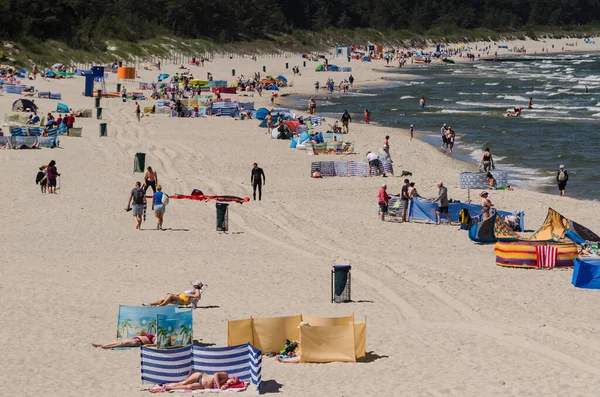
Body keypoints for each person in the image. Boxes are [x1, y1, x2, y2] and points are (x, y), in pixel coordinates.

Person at [160, 372, 239, 391]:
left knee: (189, 387)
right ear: (232, 378)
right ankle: (171, 386)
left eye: (232, 383)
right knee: (185, 382)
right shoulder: (225, 375)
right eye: (232, 381)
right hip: (200, 376)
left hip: (202, 386)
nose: (231, 382)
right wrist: (218, 385)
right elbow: (216, 374)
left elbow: (222, 389)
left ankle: (170, 388)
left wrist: (226, 386)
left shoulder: (225, 384)